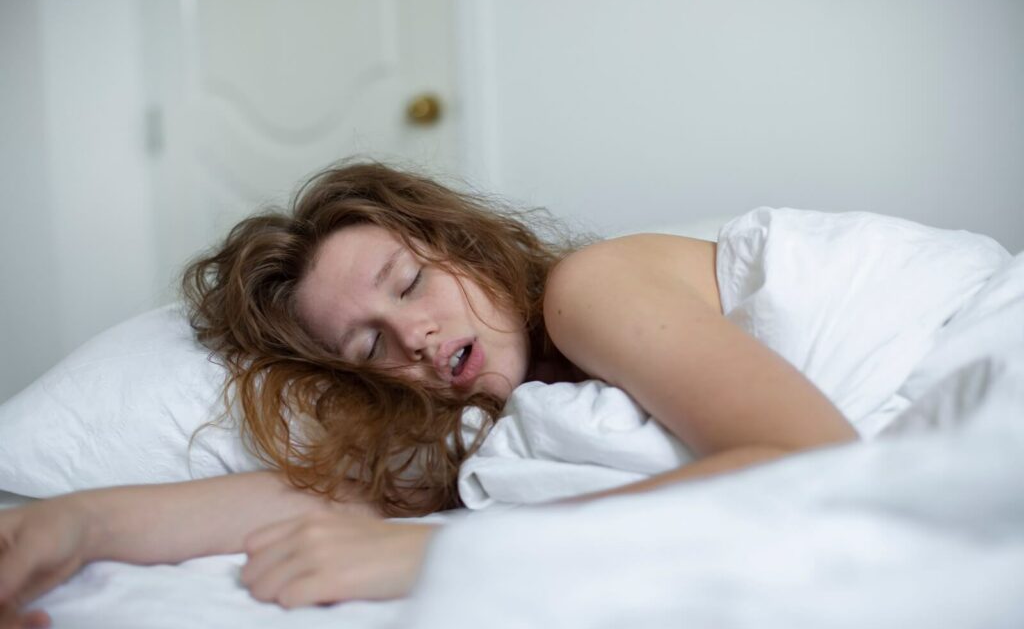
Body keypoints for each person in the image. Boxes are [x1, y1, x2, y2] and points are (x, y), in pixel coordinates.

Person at [0, 162, 858, 628]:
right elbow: (331, 494)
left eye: (409, 284)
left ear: (462, 247)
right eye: (369, 346)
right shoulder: (495, 423)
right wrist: (79, 524)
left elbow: (814, 463)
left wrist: (445, 556)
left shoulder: (590, 288)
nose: (411, 336)